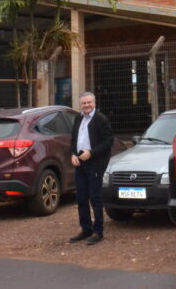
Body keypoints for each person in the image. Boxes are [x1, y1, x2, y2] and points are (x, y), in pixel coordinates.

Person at [68, 90, 113, 245]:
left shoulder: (101, 119)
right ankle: (85, 229)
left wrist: (91, 153)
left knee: (95, 198)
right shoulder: (78, 118)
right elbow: (74, 139)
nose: (86, 105)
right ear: (80, 105)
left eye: (89, 103)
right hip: (80, 162)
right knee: (81, 198)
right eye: (84, 103)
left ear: (94, 103)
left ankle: (98, 231)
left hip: (94, 163)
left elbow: (108, 142)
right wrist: (73, 154)